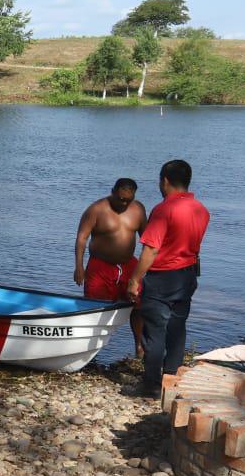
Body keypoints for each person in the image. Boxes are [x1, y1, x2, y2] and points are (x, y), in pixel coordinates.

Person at [126, 159, 211, 397]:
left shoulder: (164, 210)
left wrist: (134, 280)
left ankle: (151, 385)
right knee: (177, 330)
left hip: (162, 278)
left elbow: (151, 249)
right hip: (187, 276)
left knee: (155, 333)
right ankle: (170, 381)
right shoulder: (201, 210)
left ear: (164, 180)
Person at [73, 177, 148, 357]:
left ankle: (139, 345)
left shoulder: (138, 210)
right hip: (100, 267)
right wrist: (79, 266)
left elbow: (148, 240)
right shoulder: (96, 209)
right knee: (95, 309)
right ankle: (89, 351)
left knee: (139, 305)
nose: (124, 203)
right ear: (112, 191)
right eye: (120, 198)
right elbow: (82, 238)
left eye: (128, 200)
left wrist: (149, 269)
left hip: (129, 265)